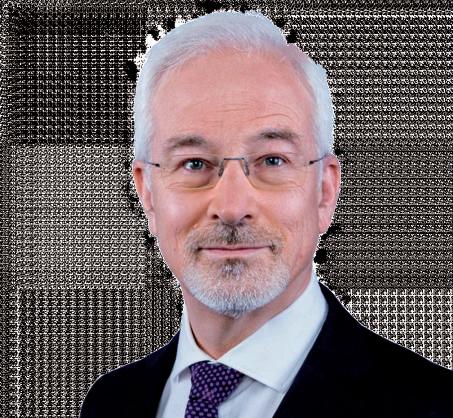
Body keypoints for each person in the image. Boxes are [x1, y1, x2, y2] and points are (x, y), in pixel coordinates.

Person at [80, 10, 453, 418]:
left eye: (272, 160)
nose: (232, 208)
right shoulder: (110, 403)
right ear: (147, 193)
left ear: (325, 191)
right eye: (194, 163)